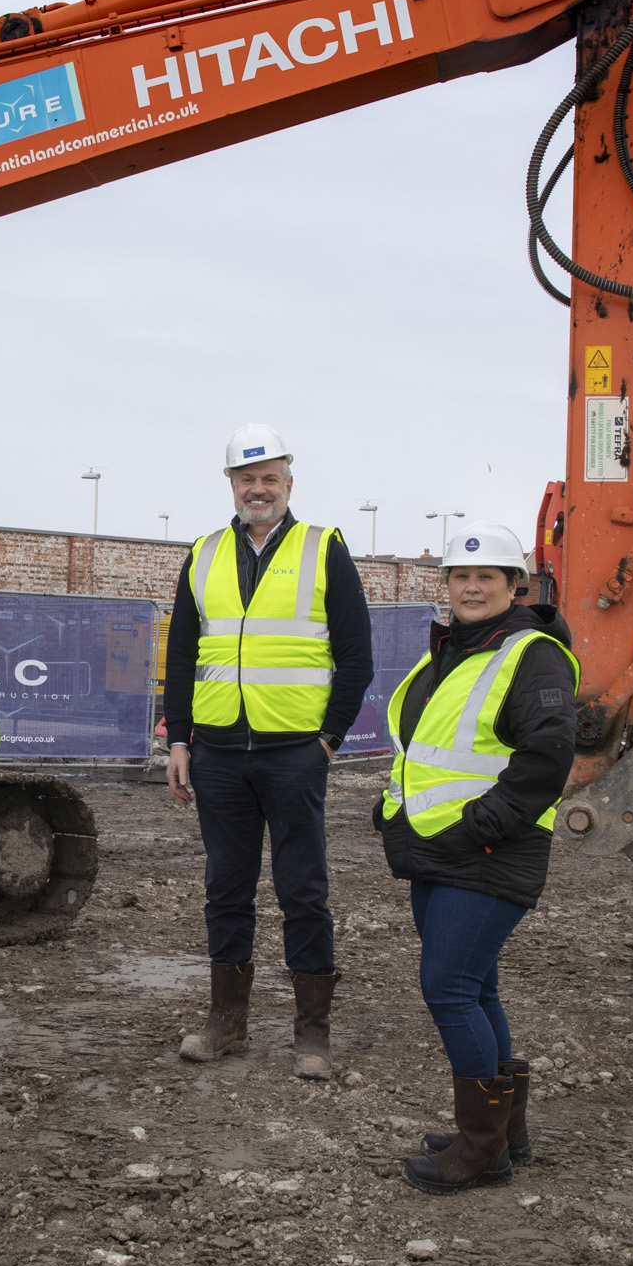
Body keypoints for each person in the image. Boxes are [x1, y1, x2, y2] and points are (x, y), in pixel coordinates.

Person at [163, 423, 373, 1079]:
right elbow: (180, 659)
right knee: (225, 889)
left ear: (288, 481)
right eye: (246, 477)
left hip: (293, 754)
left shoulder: (324, 549)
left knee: (301, 890)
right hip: (218, 754)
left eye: (269, 476)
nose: (258, 487)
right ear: (231, 484)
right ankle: (225, 1021)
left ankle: (312, 1033)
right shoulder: (201, 554)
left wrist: (327, 741)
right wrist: (177, 739)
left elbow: (356, 659)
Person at [372, 524, 577, 1193]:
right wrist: (392, 813)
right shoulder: (454, 651)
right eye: (460, 577)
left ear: (515, 585)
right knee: (477, 986)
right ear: (446, 586)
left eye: (487, 576)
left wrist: (479, 825)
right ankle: (501, 1130)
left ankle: (481, 1147)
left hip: (489, 849)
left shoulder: (530, 654)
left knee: (449, 987)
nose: (471, 586)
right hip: (440, 849)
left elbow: (545, 756)